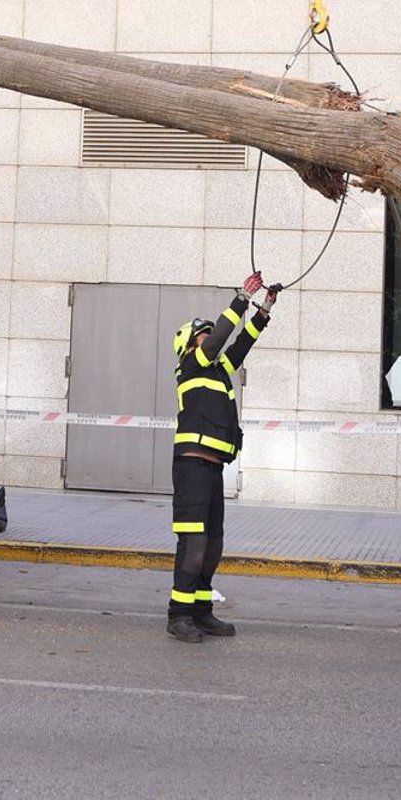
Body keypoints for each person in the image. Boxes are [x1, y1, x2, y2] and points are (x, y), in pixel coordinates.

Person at [166, 271, 275, 643]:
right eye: (202, 333)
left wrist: (263, 311)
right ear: (188, 345)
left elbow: (238, 346)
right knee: (193, 543)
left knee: (213, 545)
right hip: (191, 467)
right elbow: (217, 342)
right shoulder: (191, 365)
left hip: (212, 470)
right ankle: (178, 615)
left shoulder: (218, 371)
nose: (209, 336)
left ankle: (200, 611)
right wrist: (241, 300)